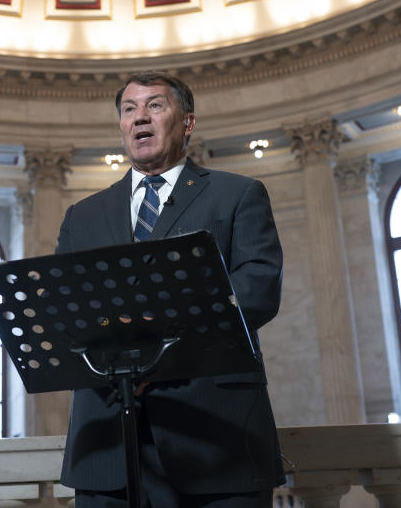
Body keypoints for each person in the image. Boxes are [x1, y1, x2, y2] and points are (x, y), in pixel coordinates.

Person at [55, 71, 285, 507]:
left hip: (217, 436)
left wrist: (156, 354)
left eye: (155, 105)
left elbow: (256, 292)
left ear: (188, 122)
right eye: (129, 109)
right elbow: (71, 312)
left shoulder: (238, 195)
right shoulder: (82, 216)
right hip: (108, 443)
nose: (140, 117)